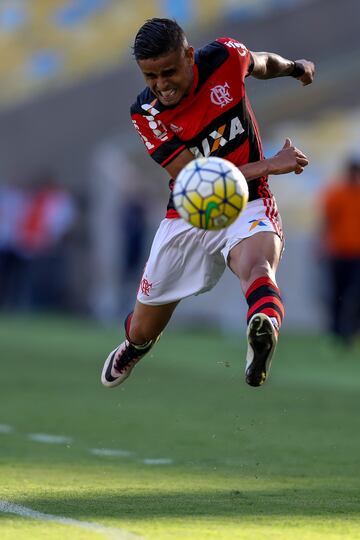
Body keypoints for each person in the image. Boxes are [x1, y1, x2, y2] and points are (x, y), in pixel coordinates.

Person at [101, 18, 315, 389]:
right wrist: (269, 164)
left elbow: (261, 62)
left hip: (249, 199)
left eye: (169, 72)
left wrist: (295, 67)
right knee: (142, 328)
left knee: (258, 266)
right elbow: (199, 179)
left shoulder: (225, 58)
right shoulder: (147, 113)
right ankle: (135, 347)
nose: (162, 85)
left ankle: (263, 329)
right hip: (190, 212)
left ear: (189, 55)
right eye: (151, 77)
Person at [319, 158, 360, 344]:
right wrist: (321, 244)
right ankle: (335, 332)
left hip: (357, 253)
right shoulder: (336, 193)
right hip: (337, 251)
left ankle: (351, 331)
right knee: (337, 293)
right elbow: (326, 221)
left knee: (355, 293)